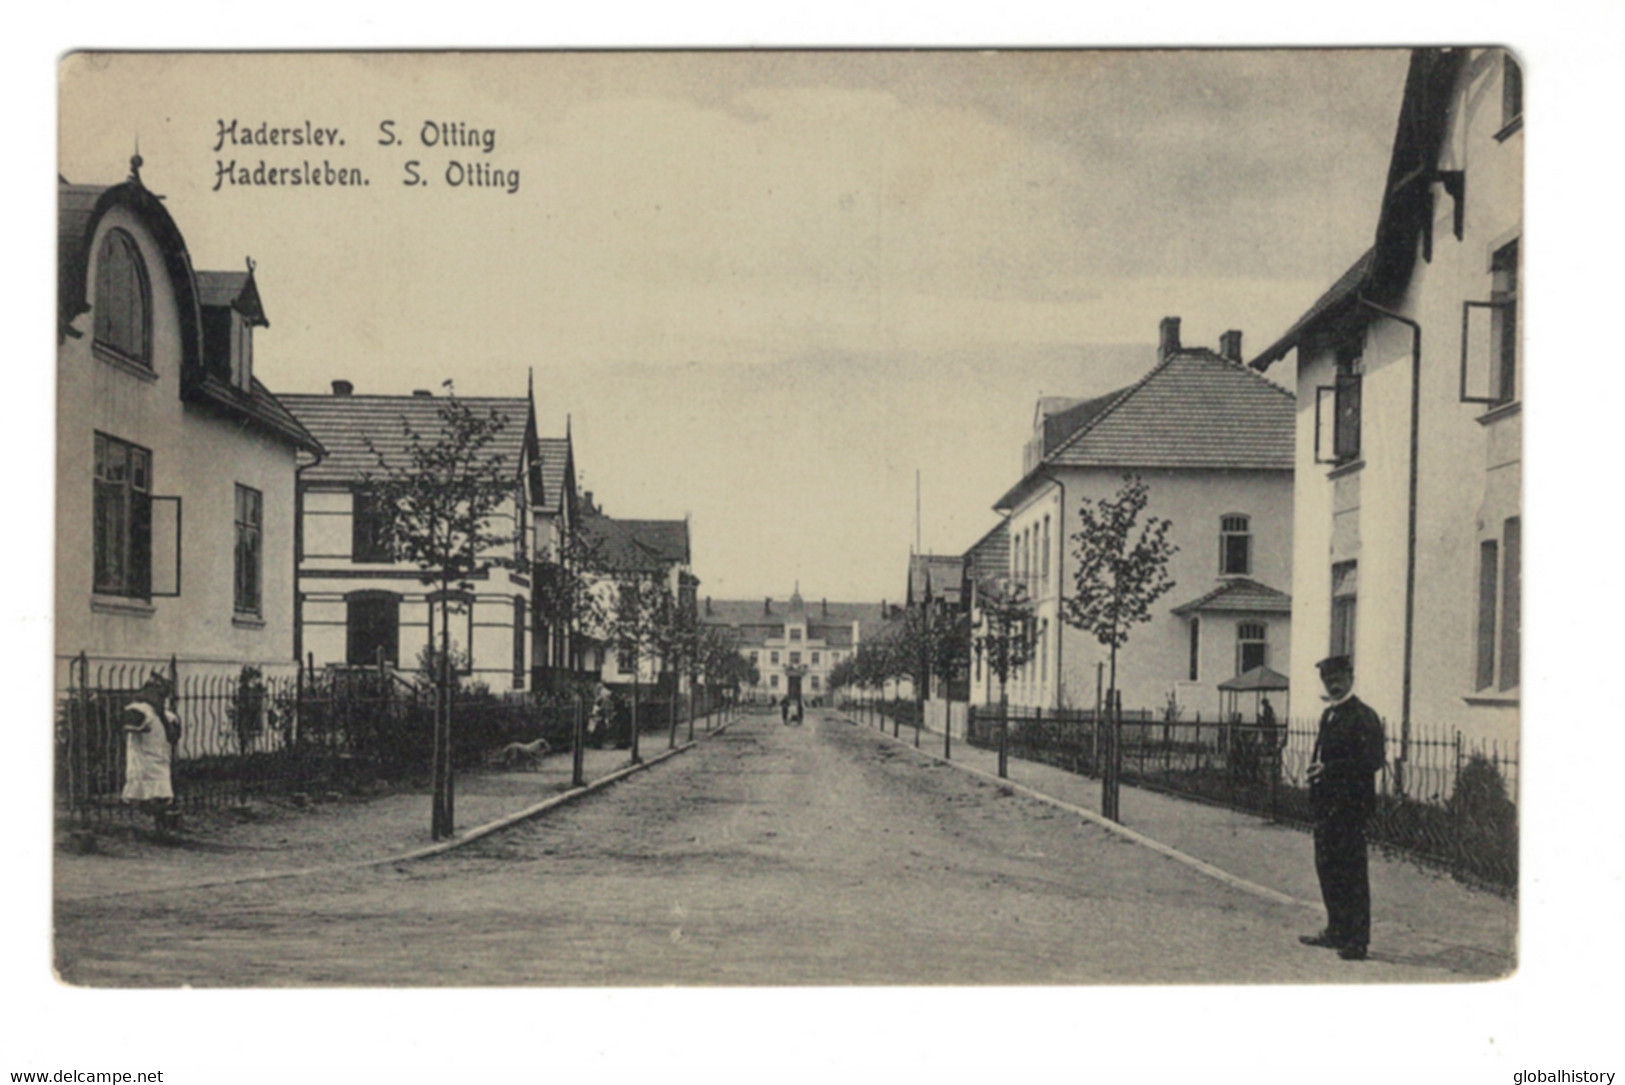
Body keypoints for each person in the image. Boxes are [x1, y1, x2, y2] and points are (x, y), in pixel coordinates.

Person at [1299, 655, 1386, 961]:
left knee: (1352, 874)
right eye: (1327, 680)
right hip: (1326, 807)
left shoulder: (1364, 717)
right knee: (1328, 869)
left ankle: (1357, 940)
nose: (1333, 685)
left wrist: (1329, 770)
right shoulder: (1329, 715)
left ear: (1350, 677)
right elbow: (1322, 753)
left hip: (1350, 807)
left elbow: (1372, 761)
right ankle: (1336, 928)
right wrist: (1315, 772)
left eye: (1337, 678)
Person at [121, 671, 182, 833]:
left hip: (160, 759)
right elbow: (127, 721)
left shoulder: (166, 716)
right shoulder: (141, 710)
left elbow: (174, 736)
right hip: (144, 760)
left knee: (160, 794)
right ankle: (160, 823)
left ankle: (161, 824)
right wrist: (133, 727)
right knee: (149, 795)